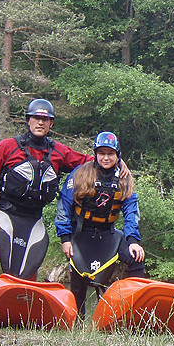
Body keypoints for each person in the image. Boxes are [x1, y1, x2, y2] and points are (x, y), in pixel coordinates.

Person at [0, 99, 95, 297]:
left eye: (45, 119)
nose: (40, 122)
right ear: (28, 121)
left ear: (51, 124)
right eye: (36, 118)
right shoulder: (7, 146)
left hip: (33, 221)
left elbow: (89, 162)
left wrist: (117, 162)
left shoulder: (59, 152)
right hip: (3, 215)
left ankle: (18, 315)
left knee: (28, 273)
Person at [55, 131, 145, 317]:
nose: (106, 157)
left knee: (136, 258)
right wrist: (65, 238)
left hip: (109, 234)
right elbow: (64, 205)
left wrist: (133, 240)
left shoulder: (124, 179)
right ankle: (76, 322)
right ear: (95, 154)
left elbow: (131, 212)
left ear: (117, 156)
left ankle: (135, 311)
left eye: (110, 154)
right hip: (81, 235)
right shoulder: (80, 173)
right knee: (78, 283)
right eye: (102, 153)